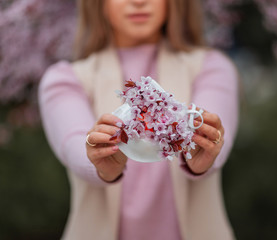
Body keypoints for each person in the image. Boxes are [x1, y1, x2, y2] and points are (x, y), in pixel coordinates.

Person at [39, 0, 239, 239]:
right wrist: (99, 161)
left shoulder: (210, 68)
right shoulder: (65, 80)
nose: (138, 2)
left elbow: (215, 134)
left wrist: (203, 154)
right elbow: (74, 144)